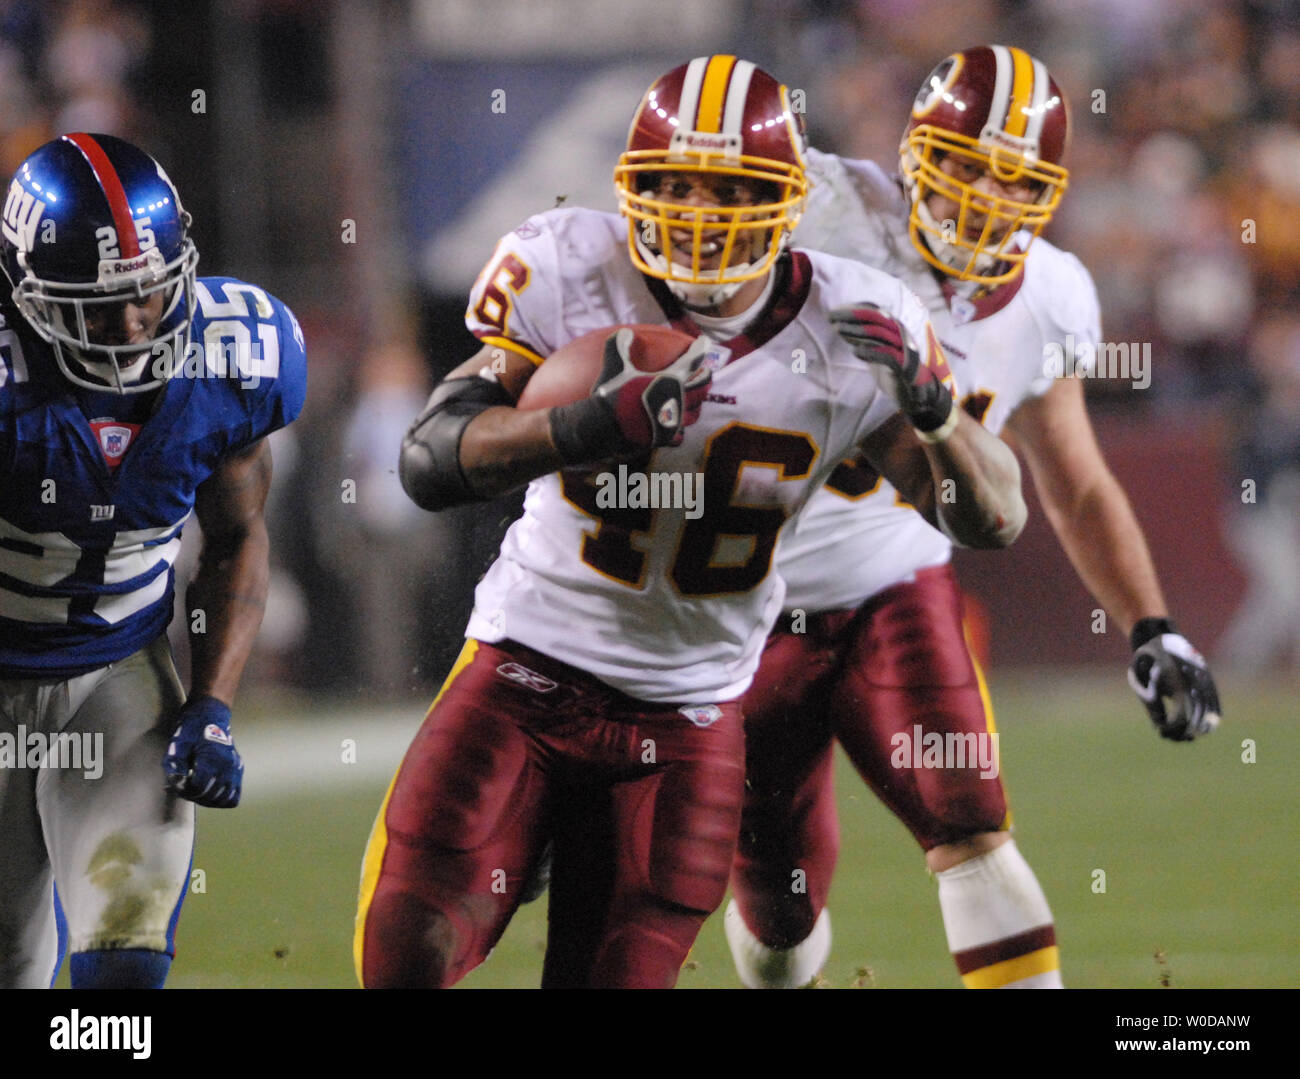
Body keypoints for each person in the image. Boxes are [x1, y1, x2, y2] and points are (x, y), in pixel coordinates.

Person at [354, 54, 1027, 990]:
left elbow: (992, 517)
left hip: (686, 716)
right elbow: (429, 457)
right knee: (405, 957)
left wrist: (940, 416)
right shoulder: (571, 263)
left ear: (786, 200)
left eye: (730, 189)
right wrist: (582, 426)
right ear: (633, 186)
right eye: (676, 186)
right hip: (524, 665)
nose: (702, 216)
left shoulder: (856, 320)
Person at [723, 45, 1223, 989]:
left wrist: (1153, 627)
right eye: (957, 161)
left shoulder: (1053, 294)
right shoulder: (817, 209)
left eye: (1008, 175)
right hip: (744, 605)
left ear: (1047, 191)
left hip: (894, 587)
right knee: (778, 908)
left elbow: (1074, 480)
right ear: (913, 151)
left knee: (971, 818)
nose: (976, 192)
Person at [0, 133, 307, 988]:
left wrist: (211, 704)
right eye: (99, 306)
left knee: (123, 965)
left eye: (148, 294)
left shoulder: (231, 355)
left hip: (116, 674)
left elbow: (240, 537)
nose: (133, 325)